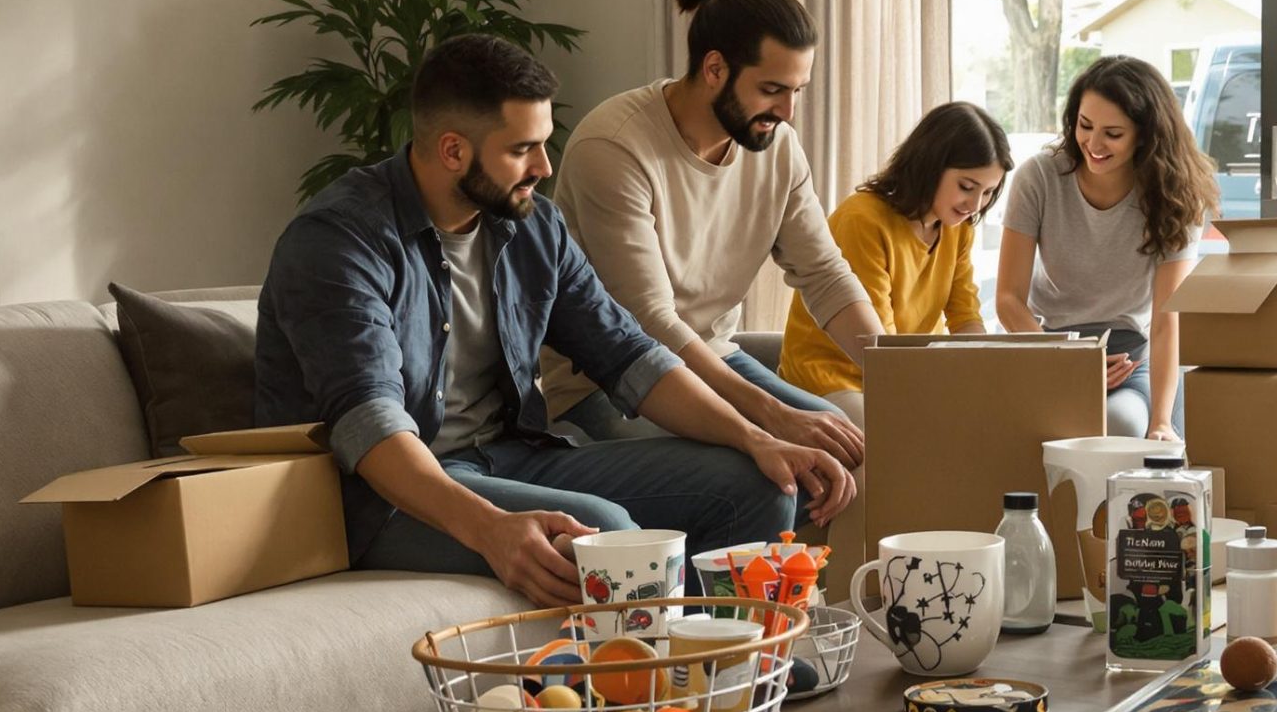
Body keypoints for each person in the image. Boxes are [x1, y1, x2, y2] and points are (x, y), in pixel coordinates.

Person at [254, 33, 852, 607]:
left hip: (508, 454)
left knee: (758, 480)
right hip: (378, 495)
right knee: (605, 534)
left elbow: (628, 355)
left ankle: (734, 664)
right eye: (521, 150)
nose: (544, 165)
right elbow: (370, 426)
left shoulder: (533, 224)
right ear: (453, 149)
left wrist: (760, 437)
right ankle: (660, 688)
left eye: (544, 142)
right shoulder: (340, 241)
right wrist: (491, 528)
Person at [542, 0, 884, 470]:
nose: (789, 112)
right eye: (772, 90)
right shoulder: (613, 147)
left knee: (853, 448)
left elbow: (826, 277)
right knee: (770, 464)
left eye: (797, 91)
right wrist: (772, 417)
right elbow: (652, 323)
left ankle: (800, 555)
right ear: (715, 69)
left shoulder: (777, 148)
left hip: (714, 357)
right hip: (613, 380)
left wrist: (899, 378)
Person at [995, 55, 1218, 440]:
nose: (1093, 144)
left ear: (1146, 135)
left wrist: (1161, 423)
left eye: (1112, 134)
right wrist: (1068, 363)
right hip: (1047, 344)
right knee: (1031, 435)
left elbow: (1166, 323)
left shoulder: (1177, 196)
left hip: (1130, 358)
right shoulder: (1039, 177)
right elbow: (1008, 300)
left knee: (1122, 425)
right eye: (1085, 126)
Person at [778, 102, 1013, 425]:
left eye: (988, 192)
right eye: (967, 187)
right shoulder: (863, 220)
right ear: (930, 165)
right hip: (834, 378)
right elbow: (878, 342)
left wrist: (985, 373)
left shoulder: (957, 229)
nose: (975, 205)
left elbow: (964, 316)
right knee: (909, 433)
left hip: (908, 374)